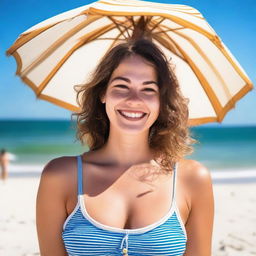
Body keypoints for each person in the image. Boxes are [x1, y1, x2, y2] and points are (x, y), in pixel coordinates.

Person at [36, 39, 214, 256]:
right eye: (122, 86)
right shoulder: (59, 176)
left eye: (148, 89)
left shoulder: (193, 179)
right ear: (103, 93)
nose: (134, 100)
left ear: (161, 101)